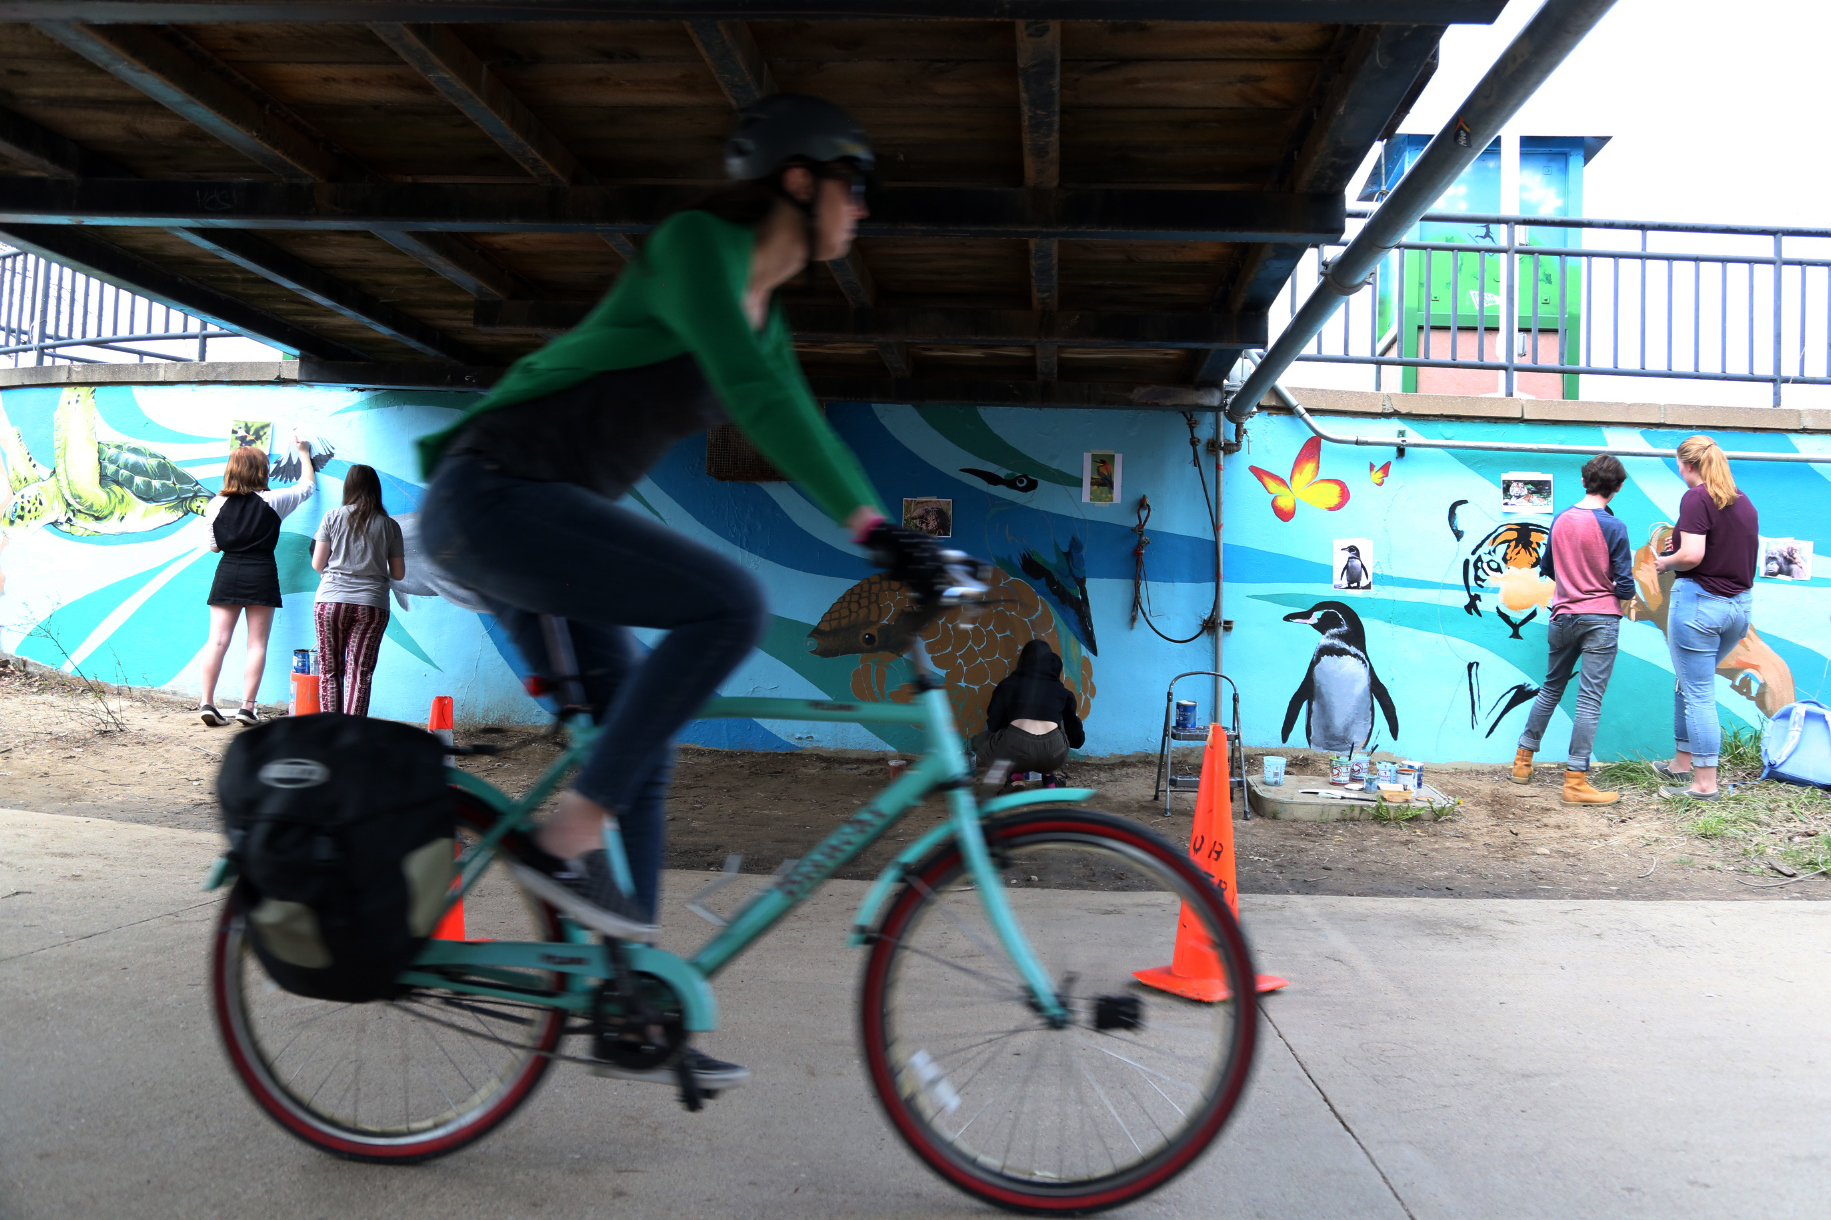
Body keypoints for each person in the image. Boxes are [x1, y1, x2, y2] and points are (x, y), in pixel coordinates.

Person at [418, 95, 948, 1089]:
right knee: (729, 603)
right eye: (856, 185)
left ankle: (634, 997)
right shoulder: (694, 245)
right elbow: (749, 392)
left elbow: (797, 421)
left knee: (638, 741)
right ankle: (568, 834)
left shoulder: (770, 318)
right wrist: (876, 533)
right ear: (800, 179)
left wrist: (891, 538)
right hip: (496, 497)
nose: (864, 210)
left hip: (537, 519)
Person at [1509, 455, 1633, 805]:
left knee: (1551, 687)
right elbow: (1624, 585)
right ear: (1618, 488)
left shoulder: (1562, 519)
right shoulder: (1615, 527)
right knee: (1589, 700)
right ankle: (1575, 781)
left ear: (1583, 482)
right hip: (1601, 619)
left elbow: (1546, 567)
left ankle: (1522, 762)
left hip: (1562, 616)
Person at [1652, 436, 1759, 800]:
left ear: (1688, 465)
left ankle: (1704, 784)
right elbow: (1719, 546)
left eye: (1678, 465)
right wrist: (1679, 545)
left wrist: (1665, 561)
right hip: (1737, 609)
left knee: (1698, 692)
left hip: (1701, 605)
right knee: (1689, 682)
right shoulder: (1743, 502)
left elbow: (1694, 555)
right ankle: (1682, 762)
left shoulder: (1697, 496)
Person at [197, 439, 316, 727]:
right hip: (262, 572)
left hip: (228, 572)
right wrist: (303, 454)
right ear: (261, 472)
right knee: (256, 645)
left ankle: (206, 702)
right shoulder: (273, 501)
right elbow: (307, 487)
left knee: (217, 641)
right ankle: (247, 708)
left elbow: (214, 547)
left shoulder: (216, 504)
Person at [310, 464, 404, 717]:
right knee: (360, 673)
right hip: (372, 605)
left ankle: (331, 734)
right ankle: (354, 737)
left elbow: (318, 564)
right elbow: (398, 574)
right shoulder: (390, 526)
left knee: (330, 670)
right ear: (376, 489)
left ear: (348, 486)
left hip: (331, 602)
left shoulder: (332, 517)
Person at [972, 640, 1084, 784]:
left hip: (1014, 753)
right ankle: (1049, 778)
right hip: (1054, 756)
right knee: (1058, 720)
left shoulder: (1008, 685)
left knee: (982, 740)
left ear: (1023, 661)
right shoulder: (1062, 691)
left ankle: (1015, 777)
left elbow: (994, 725)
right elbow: (1075, 736)